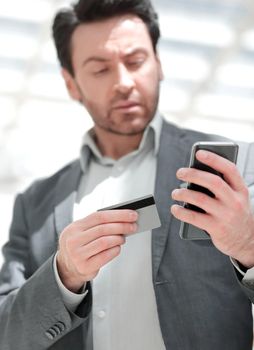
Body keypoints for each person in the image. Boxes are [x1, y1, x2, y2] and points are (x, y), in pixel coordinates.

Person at [0, 0, 254, 349]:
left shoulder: (235, 168)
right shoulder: (35, 205)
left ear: (158, 63)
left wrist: (249, 247)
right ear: (71, 84)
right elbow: (6, 333)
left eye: (135, 62)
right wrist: (64, 275)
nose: (123, 82)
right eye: (100, 69)